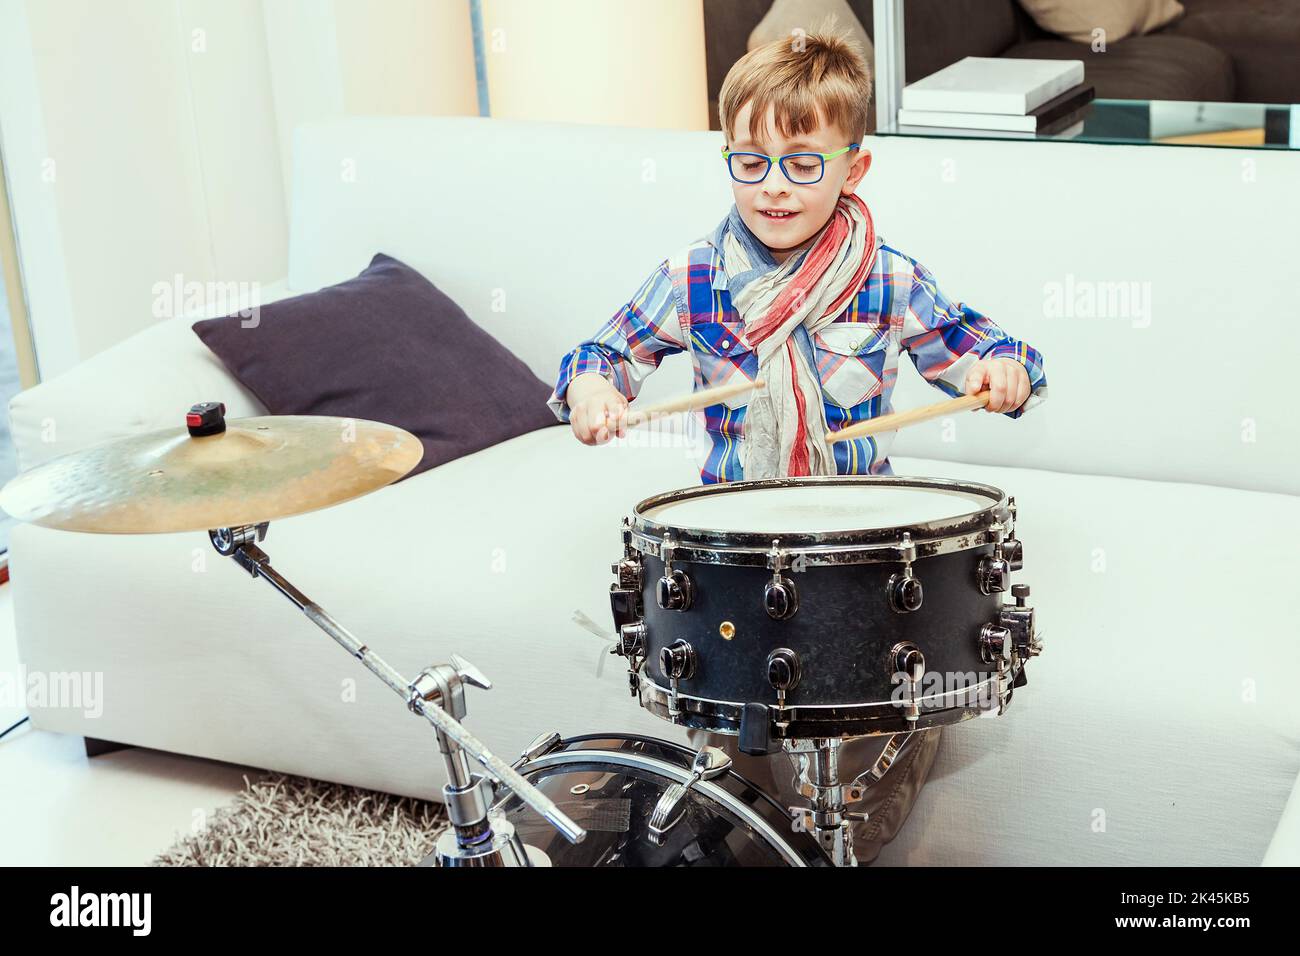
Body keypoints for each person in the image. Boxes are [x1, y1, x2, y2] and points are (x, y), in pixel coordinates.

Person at [546, 25, 1047, 865]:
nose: (774, 188)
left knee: (866, 735)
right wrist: (595, 389)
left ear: (855, 165)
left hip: (857, 549)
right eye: (750, 161)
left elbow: (983, 349)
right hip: (736, 550)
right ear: (727, 158)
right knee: (739, 759)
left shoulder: (887, 276)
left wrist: (1003, 373)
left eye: (804, 161)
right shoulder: (692, 276)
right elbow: (601, 355)